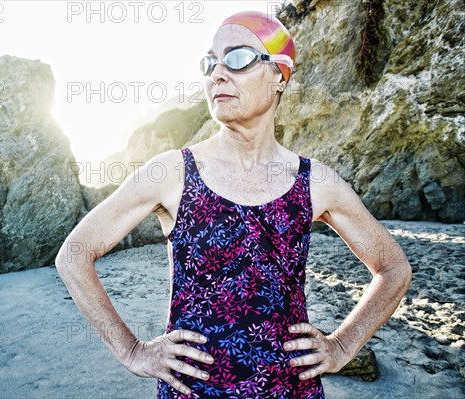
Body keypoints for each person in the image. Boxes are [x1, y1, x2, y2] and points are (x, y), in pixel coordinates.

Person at [55, 10, 412, 399]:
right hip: (193, 390)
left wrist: (343, 345)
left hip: (291, 390)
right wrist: (132, 351)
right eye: (209, 63)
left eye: (238, 59)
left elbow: (393, 268)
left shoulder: (315, 182)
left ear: (279, 75)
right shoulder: (173, 172)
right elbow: (73, 254)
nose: (217, 74)